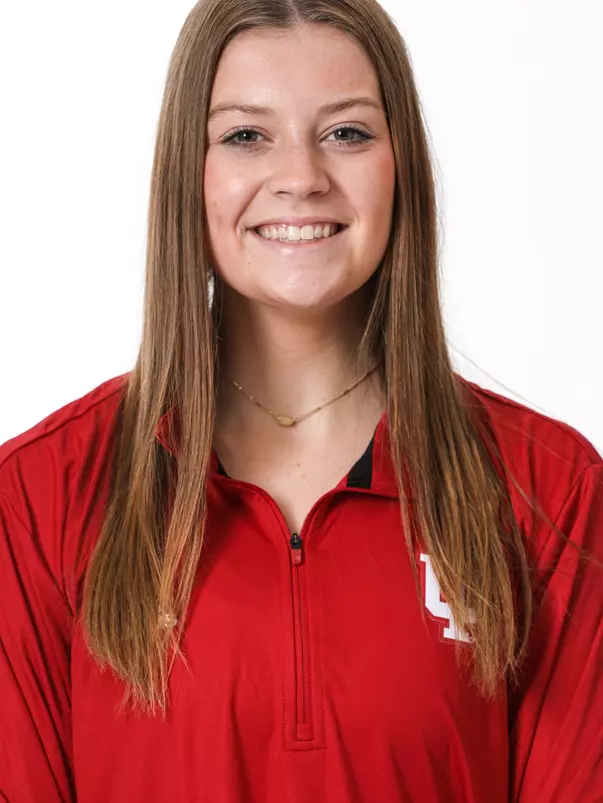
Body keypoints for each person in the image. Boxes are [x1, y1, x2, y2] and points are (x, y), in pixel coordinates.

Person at [1, 0, 602, 800]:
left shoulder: (550, 489)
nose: (300, 177)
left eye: (346, 132)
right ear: (188, 173)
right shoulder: (37, 495)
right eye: (245, 135)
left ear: (400, 167)